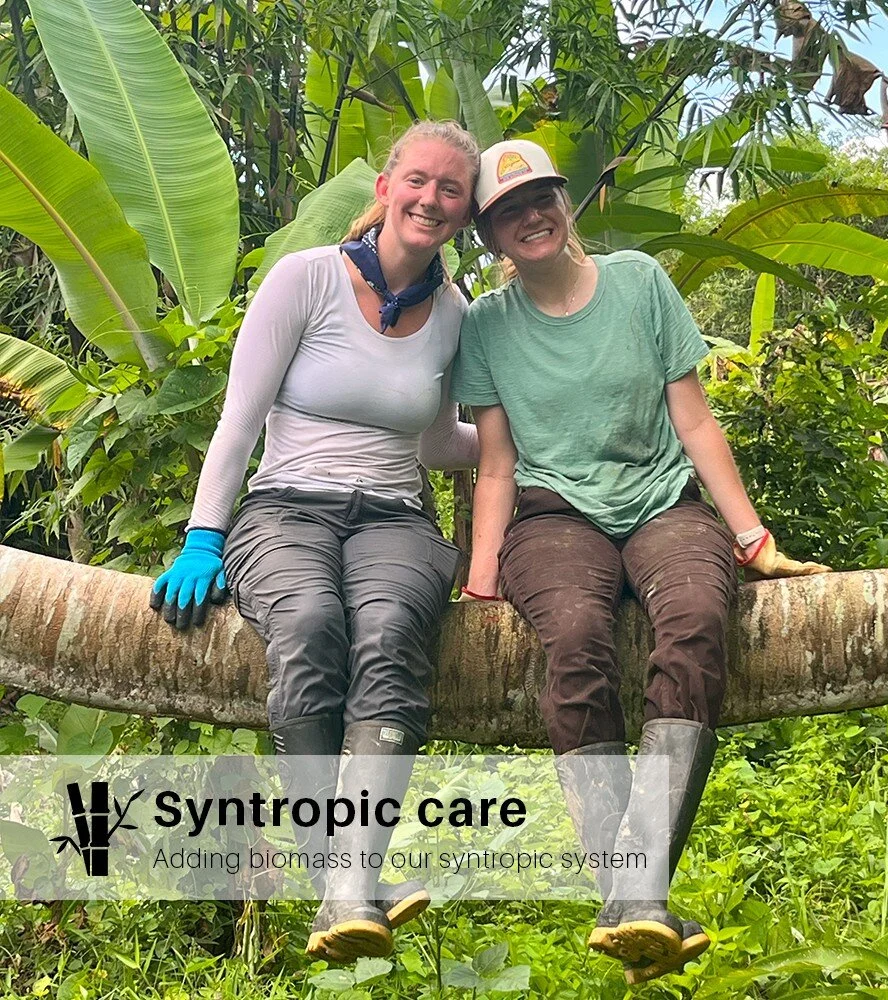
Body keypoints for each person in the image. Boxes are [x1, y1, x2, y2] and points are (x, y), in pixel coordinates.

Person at [452, 139, 830, 985]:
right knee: (578, 635)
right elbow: (499, 465)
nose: (530, 217)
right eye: (508, 211)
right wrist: (481, 577)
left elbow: (694, 423)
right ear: (491, 237)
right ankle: (640, 896)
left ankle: (633, 898)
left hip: (664, 503)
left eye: (541, 197)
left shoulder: (639, 283)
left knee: (695, 618)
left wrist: (752, 538)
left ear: (565, 202)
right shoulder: (486, 327)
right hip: (553, 516)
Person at [149, 120, 481, 961]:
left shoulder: (453, 314)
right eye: (419, 181)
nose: (431, 200)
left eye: (452, 190)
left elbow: (442, 442)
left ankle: (348, 886)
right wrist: (202, 536)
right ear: (385, 188)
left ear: (465, 212)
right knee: (306, 625)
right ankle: (343, 880)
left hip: (395, 518)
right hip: (285, 508)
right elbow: (240, 417)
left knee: (390, 632)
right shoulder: (306, 279)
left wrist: (538, 443)